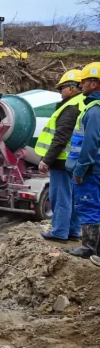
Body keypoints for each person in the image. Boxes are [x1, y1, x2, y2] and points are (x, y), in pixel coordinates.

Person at [35, 69, 86, 242]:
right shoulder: (84, 104)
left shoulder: (71, 107)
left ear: (71, 88)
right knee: (72, 196)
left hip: (62, 161)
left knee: (60, 197)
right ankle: (73, 230)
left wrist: (46, 160)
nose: (60, 92)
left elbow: (61, 137)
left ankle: (59, 232)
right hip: (75, 160)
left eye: (61, 88)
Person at [66, 62, 100, 258]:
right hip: (95, 167)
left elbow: (90, 143)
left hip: (91, 169)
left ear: (94, 83)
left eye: (84, 81)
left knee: (88, 206)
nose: (81, 85)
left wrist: (80, 170)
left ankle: (89, 248)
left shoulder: (94, 111)